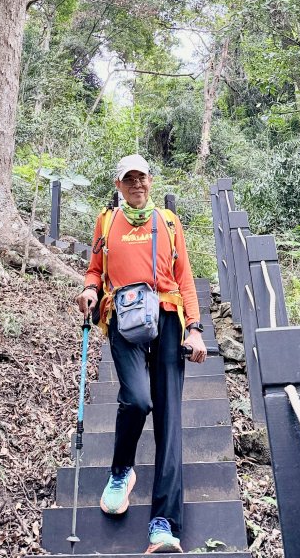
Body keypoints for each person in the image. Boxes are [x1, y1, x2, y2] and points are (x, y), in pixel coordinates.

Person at [76, 154, 207, 555]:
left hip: (167, 316)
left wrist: (195, 328)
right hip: (123, 315)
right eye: (128, 178)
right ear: (118, 185)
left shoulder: (168, 221)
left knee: (169, 417)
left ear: (151, 180)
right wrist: (90, 289)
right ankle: (121, 472)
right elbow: (95, 269)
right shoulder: (106, 221)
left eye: (142, 177)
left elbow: (185, 277)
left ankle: (164, 525)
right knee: (137, 399)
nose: (136, 184)